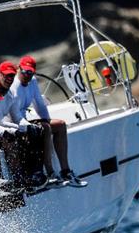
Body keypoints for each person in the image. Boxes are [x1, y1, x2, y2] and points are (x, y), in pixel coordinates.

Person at [10, 56, 86, 187]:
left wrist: (48, 120)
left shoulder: (32, 82)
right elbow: (13, 116)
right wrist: (36, 126)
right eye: (25, 71)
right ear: (18, 69)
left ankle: (66, 171)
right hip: (14, 125)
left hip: (25, 121)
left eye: (30, 72)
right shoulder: (13, 87)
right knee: (45, 128)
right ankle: (50, 173)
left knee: (60, 125)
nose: (27, 75)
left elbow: (39, 104)